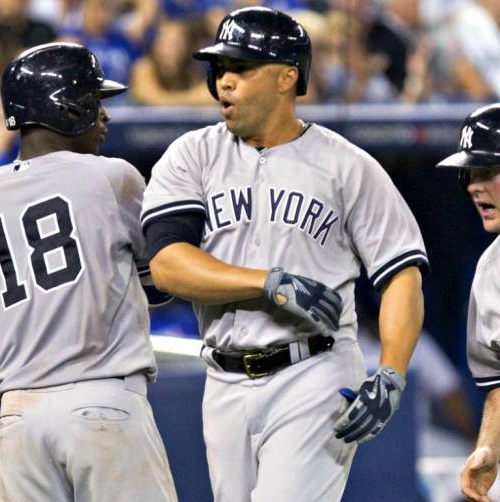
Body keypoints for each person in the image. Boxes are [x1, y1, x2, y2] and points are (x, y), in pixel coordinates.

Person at [141, 7, 428, 501]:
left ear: (287, 76)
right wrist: (268, 282)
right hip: (223, 379)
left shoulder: (346, 165)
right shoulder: (191, 156)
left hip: (313, 373)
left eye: (241, 68)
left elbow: (402, 274)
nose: (224, 82)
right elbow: (167, 264)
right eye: (220, 69)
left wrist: (391, 371)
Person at [0, 42, 177, 501]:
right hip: (103, 401)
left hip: (19, 417)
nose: (104, 116)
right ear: (67, 107)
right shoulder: (112, 177)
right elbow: (161, 279)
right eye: (96, 102)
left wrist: (29, 409)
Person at [436, 103, 500, 502]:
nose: (474, 185)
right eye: (469, 174)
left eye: (488, 172)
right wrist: (489, 445)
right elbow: (498, 383)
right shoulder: (491, 272)